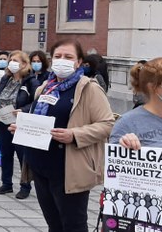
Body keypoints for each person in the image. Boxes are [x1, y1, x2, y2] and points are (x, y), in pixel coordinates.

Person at [10, 39, 114, 231]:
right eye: (57, 56)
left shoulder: (89, 89)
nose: (62, 60)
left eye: (68, 57)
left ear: (79, 61)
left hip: (69, 169)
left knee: (73, 225)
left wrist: (74, 134)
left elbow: (107, 124)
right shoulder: (44, 88)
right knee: (54, 224)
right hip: (40, 167)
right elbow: (40, 121)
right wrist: (22, 128)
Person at [111, 58, 162, 229]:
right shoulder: (128, 123)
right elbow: (113, 174)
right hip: (154, 212)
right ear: (153, 87)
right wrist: (123, 147)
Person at [0, 50, 39, 199]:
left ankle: (25, 185)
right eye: (11, 60)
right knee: (6, 153)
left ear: (24, 64)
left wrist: (22, 110)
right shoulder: (6, 78)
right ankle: (6, 183)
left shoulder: (31, 81)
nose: (11, 63)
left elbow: (36, 101)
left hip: (20, 122)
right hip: (3, 119)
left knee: (22, 155)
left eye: (15, 60)